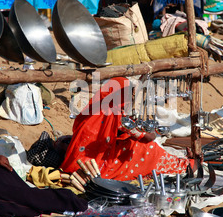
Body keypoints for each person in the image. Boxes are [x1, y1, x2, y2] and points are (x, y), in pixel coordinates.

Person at [59, 77, 194, 181]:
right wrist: (147, 128)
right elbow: (148, 137)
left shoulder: (91, 109)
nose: (130, 99)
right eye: (129, 95)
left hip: (74, 162)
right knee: (144, 149)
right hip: (95, 168)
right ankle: (184, 165)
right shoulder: (116, 115)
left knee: (128, 141)